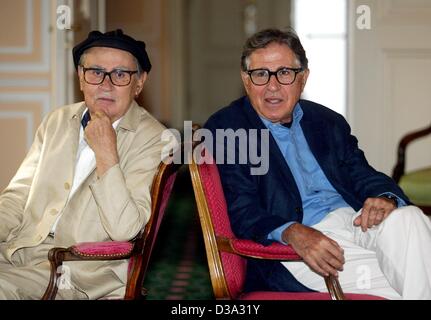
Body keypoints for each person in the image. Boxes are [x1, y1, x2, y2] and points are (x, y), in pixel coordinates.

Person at [204, 28, 431, 299]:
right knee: (415, 270)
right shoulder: (229, 129)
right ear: (246, 80)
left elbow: (362, 174)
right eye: (261, 74)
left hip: (357, 222)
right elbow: (241, 208)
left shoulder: (327, 121)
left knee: (410, 218)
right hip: (298, 248)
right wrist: (292, 232)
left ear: (303, 78)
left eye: (285, 73)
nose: (272, 86)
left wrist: (385, 198)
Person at [0, 29, 173, 299]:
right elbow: (18, 196)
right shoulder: (57, 121)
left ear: (139, 83)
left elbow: (124, 229)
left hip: (78, 270)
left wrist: (107, 153)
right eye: (95, 72)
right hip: (19, 252)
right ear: (80, 77)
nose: (105, 84)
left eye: (120, 75)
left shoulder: (156, 139)